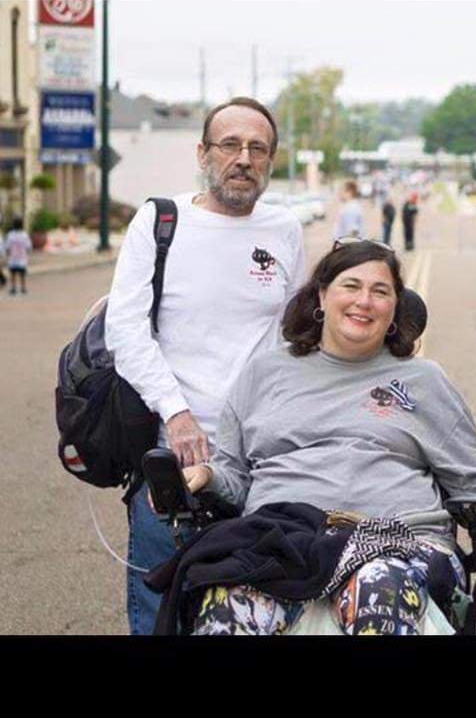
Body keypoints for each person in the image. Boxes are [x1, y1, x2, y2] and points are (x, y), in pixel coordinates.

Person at [173, 239, 476, 635]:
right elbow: (235, 478)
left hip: (398, 540)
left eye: (380, 291)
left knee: (379, 586)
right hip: (281, 540)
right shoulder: (264, 372)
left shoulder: (423, 381)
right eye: (351, 286)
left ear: (395, 309)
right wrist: (205, 476)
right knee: (230, 600)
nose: (364, 301)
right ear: (322, 295)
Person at [104, 96, 306, 635]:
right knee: (162, 613)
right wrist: (176, 414)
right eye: (230, 145)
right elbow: (124, 331)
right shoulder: (160, 222)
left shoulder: (285, 229)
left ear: (271, 160)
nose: (244, 158)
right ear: (202, 153)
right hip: (176, 458)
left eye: (258, 148)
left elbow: (296, 335)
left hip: (262, 463)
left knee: (259, 611)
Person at [3, 216, 32, 295]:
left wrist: (8, 253)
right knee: (22, 274)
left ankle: (13, 288)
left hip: (13, 259)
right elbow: (28, 246)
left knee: (13, 274)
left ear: (13, 225)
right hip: (22, 258)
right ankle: (23, 288)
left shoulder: (10, 235)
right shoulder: (24, 235)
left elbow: (7, 247)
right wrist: (27, 253)